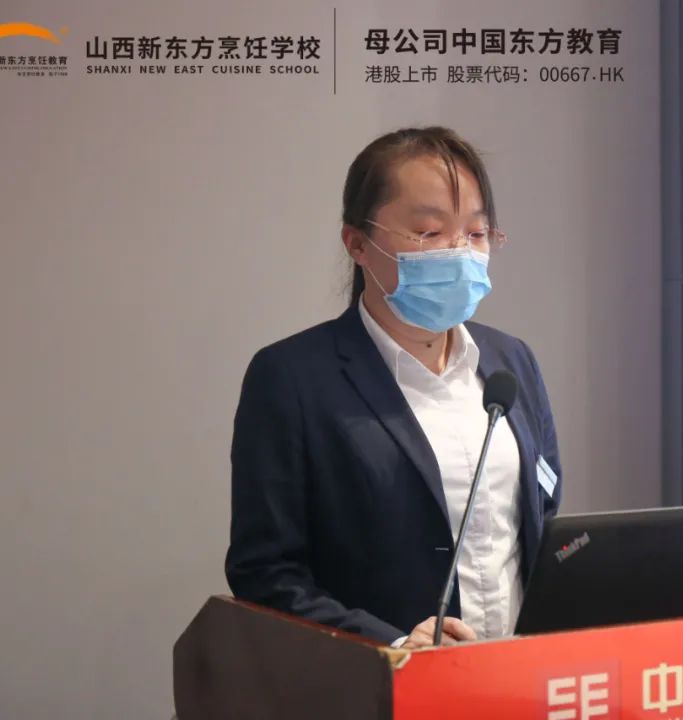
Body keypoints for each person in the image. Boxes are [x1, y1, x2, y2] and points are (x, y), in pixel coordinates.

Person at [224, 127, 563, 649]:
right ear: (358, 243)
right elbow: (266, 572)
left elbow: (542, 523)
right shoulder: (291, 379)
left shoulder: (511, 361)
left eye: (476, 234)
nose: (459, 251)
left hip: (518, 674)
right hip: (380, 682)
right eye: (429, 232)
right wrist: (394, 646)